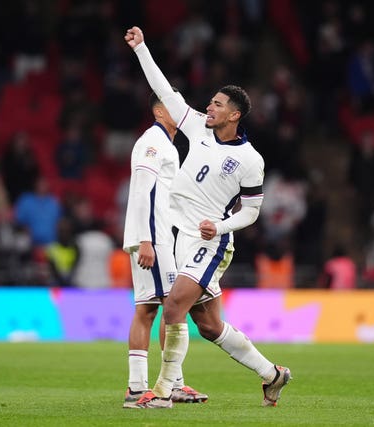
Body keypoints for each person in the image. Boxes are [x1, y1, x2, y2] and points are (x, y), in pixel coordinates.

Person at [124, 26, 291, 409]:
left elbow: (251, 211)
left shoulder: (251, 161)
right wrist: (142, 48)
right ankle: (273, 375)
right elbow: (164, 91)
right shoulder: (197, 125)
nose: (209, 108)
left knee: (172, 306)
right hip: (177, 233)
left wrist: (220, 226)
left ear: (234, 114)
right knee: (210, 326)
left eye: (216, 104)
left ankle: (163, 393)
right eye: (210, 103)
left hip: (209, 240)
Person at [122, 91, 208, 408]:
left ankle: (136, 387)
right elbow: (143, 189)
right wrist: (146, 238)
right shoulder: (154, 142)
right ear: (160, 111)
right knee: (172, 309)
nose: (182, 111)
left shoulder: (163, 143)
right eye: (174, 105)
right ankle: (172, 385)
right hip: (153, 237)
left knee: (146, 309)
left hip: (152, 234)